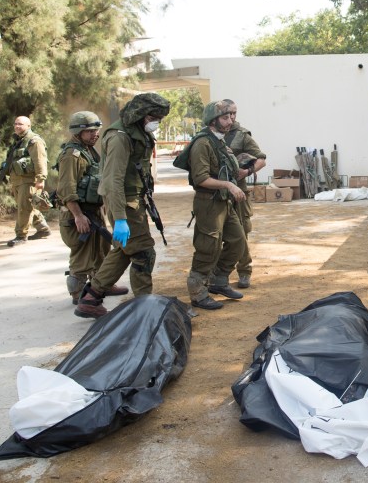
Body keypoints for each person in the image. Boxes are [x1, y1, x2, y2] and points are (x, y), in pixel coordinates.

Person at [75, 93, 170, 319]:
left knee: (124, 250)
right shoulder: (119, 137)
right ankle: (144, 310)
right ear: (141, 115)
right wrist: (119, 218)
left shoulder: (137, 132)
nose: (157, 121)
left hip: (132, 199)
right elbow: (112, 181)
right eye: (155, 117)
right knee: (143, 253)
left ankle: (91, 298)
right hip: (123, 202)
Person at [177, 100, 248, 310]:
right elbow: (200, 178)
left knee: (238, 241)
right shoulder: (203, 143)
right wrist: (228, 185)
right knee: (208, 247)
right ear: (213, 120)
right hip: (208, 202)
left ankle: (219, 280)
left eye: (232, 116)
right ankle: (197, 293)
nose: (230, 120)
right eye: (225, 117)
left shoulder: (219, 142)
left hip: (224, 201)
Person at [55, 111, 128, 304]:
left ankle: (102, 284)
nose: (95, 134)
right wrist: (78, 215)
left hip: (92, 212)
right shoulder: (72, 155)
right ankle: (78, 293)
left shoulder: (89, 151)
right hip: (77, 214)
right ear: (78, 132)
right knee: (82, 256)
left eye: (97, 130)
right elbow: (66, 190)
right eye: (90, 131)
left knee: (101, 251)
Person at [219, 99, 267, 289]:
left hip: (238, 194)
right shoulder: (211, 134)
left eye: (234, 113)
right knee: (216, 235)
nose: (231, 117)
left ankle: (244, 271)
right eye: (227, 113)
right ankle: (217, 272)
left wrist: (246, 172)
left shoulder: (241, 135)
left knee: (242, 232)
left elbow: (261, 159)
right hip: (217, 193)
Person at [5, 116, 51, 247]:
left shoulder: (34, 141)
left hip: (28, 181)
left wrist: (40, 179)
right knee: (26, 206)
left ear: (28, 126)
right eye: (15, 124)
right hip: (17, 180)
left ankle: (21, 236)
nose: (17, 126)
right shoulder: (18, 141)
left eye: (20, 124)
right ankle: (43, 229)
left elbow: (40, 161)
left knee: (24, 208)